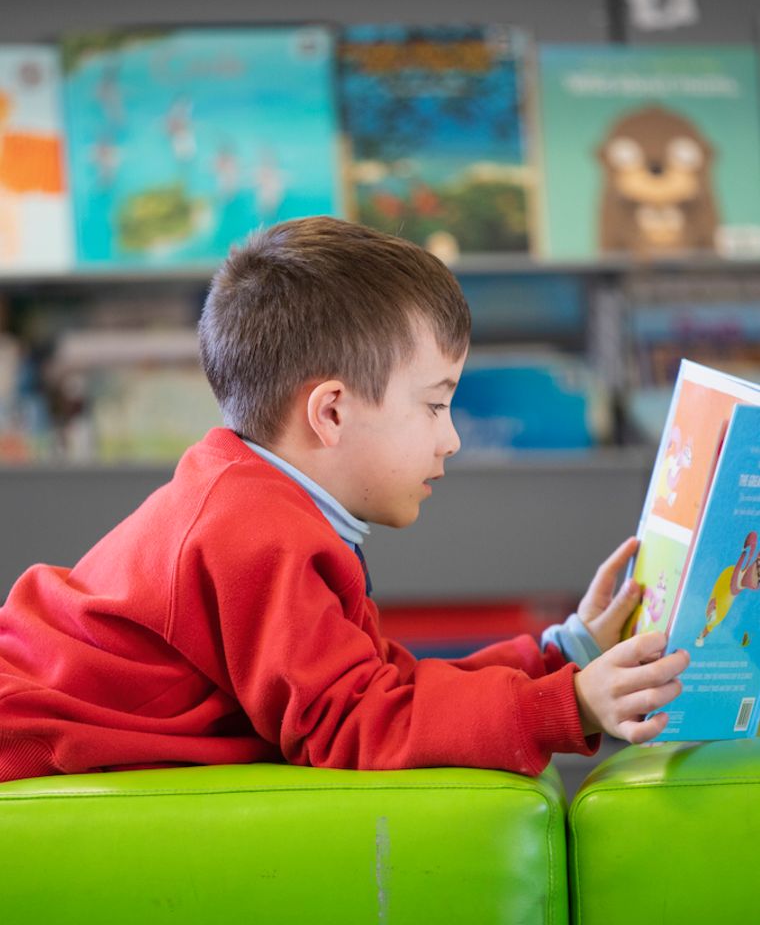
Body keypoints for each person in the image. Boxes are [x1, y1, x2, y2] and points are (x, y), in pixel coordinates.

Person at [0, 216, 689, 782]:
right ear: (330, 413)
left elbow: (383, 685)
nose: (450, 439)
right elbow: (355, 726)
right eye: (435, 405)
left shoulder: (268, 505)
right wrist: (566, 705)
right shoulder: (256, 534)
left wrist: (564, 652)